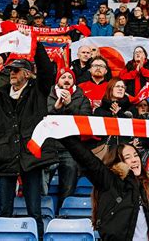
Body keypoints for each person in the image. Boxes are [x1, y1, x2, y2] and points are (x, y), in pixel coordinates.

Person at [56, 134, 149, 240]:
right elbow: (85, 158)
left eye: (135, 155)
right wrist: (62, 131)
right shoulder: (108, 181)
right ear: (118, 162)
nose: (134, 160)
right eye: (127, 157)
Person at [0, 43, 56, 236]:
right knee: (4, 211)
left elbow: (47, 71)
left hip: (30, 158)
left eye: (16, 70)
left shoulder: (38, 91)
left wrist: (36, 44)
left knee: (35, 211)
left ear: (27, 73)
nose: (11, 74)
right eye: (10, 71)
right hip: (5, 158)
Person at [47, 68, 91, 208]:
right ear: (57, 80)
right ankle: (44, 212)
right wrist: (56, 107)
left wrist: (69, 105)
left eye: (70, 77)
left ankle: (62, 214)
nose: (66, 80)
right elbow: (41, 115)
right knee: (41, 185)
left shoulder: (82, 97)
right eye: (63, 77)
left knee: (68, 186)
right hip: (49, 146)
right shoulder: (47, 94)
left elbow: (84, 121)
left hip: (70, 148)